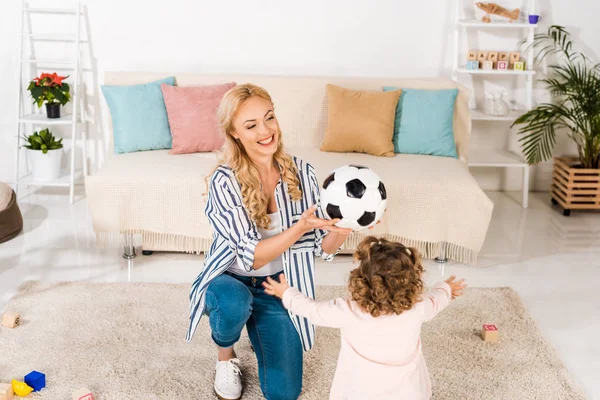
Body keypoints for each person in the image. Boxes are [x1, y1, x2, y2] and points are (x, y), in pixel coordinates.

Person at [186, 83, 352, 400]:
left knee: (283, 393)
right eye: (251, 125)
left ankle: (256, 326)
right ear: (234, 133)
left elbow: (322, 248)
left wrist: (342, 228)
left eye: (269, 118)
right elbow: (252, 257)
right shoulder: (225, 180)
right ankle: (225, 354)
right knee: (233, 304)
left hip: (278, 287)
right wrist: (300, 226)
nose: (266, 131)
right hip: (230, 280)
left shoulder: (302, 172)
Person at [263, 236, 467, 400]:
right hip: (408, 393)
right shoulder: (418, 309)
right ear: (412, 280)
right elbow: (436, 300)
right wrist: (446, 288)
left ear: (361, 279)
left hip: (357, 392)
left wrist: (286, 293)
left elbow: (312, 310)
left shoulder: (348, 311)